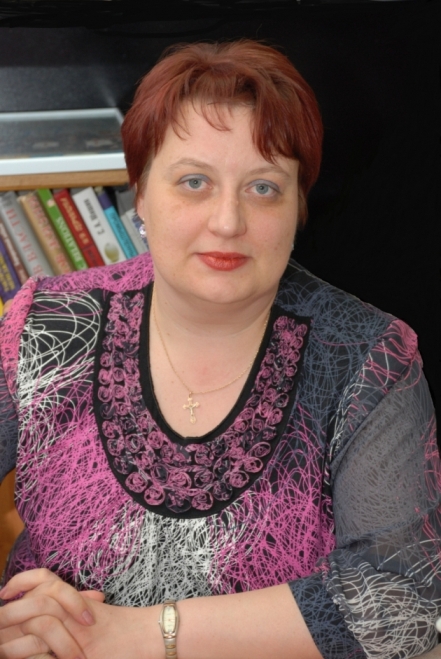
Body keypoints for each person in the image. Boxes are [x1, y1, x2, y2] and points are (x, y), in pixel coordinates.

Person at [0, 39, 440, 659]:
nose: (228, 221)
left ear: (298, 206)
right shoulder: (49, 324)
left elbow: (403, 600)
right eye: (194, 182)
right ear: (140, 195)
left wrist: (140, 635)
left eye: (263, 188)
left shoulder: (370, 358)